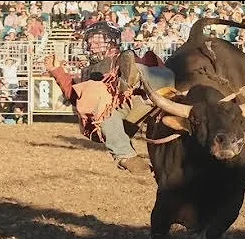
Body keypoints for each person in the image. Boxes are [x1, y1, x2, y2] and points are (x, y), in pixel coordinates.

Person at [44, 21, 175, 175]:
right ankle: (126, 156)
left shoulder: (128, 57)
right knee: (97, 98)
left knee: (161, 74)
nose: (92, 45)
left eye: (97, 40)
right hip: (113, 121)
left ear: (112, 41)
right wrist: (57, 71)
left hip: (145, 100)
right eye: (90, 42)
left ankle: (133, 78)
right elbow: (77, 97)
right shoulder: (90, 71)